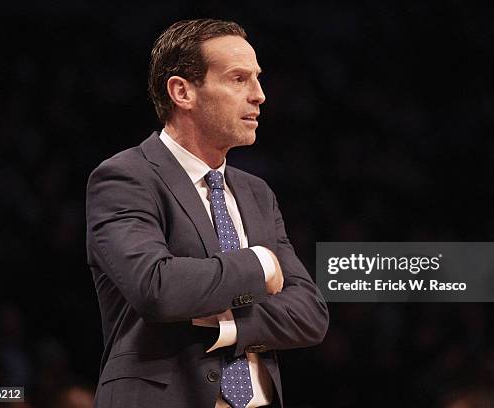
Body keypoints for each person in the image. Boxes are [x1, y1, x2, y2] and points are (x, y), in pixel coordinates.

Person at [85, 18, 329, 408]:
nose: (260, 95)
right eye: (238, 79)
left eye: (257, 78)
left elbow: (310, 313)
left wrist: (229, 324)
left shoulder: (257, 193)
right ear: (182, 91)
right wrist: (260, 264)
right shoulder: (124, 178)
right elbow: (157, 287)